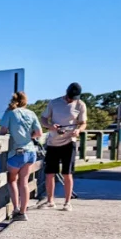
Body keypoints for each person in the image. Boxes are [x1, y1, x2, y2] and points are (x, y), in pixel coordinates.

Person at [39, 82, 87, 210]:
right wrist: (50, 126)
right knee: (49, 173)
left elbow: (83, 123)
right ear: (66, 93)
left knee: (67, 173)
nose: (71, 99)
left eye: (74, 98)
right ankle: (50, 201)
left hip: (69, 141)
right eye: (70, 97)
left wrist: (78, 130)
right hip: (53, 142)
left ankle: (67, 202)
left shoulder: (80, 105)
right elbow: (43, 119)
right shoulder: (54, 103)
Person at [0, 91, 42, 220]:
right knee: (24, 182)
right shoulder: (31, 113)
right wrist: (30, 137)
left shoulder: (10, 113)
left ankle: (16, 208)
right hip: (30, 153)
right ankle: (23, 213)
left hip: (17, 153)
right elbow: (39, 133)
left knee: (12, 180)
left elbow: (3, 131)